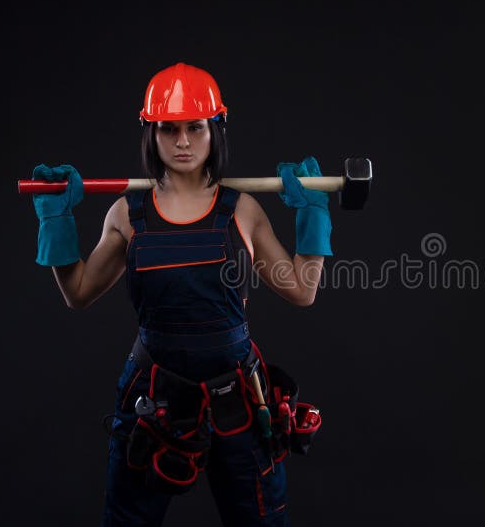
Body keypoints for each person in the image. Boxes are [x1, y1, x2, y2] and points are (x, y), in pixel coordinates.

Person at [30, 62, 332, 526]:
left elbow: (302, 290)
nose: (184, 141)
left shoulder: (242, 210)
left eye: (196, 127)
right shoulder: (127, 214)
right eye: (169, 129)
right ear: (151, 133)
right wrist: (56, 222)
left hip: (239, 397)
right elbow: (78, 292)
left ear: (216, 129)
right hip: (153, 395)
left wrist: (313, 218)